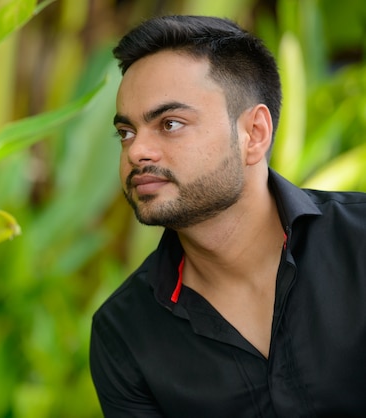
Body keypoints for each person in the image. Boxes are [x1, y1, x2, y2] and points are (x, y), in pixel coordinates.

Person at [89, 15, 366, 418]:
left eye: (170, 123)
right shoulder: (125, 333)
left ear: (254, 133)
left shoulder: (358, 244)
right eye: (126, 132)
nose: (136, 151)